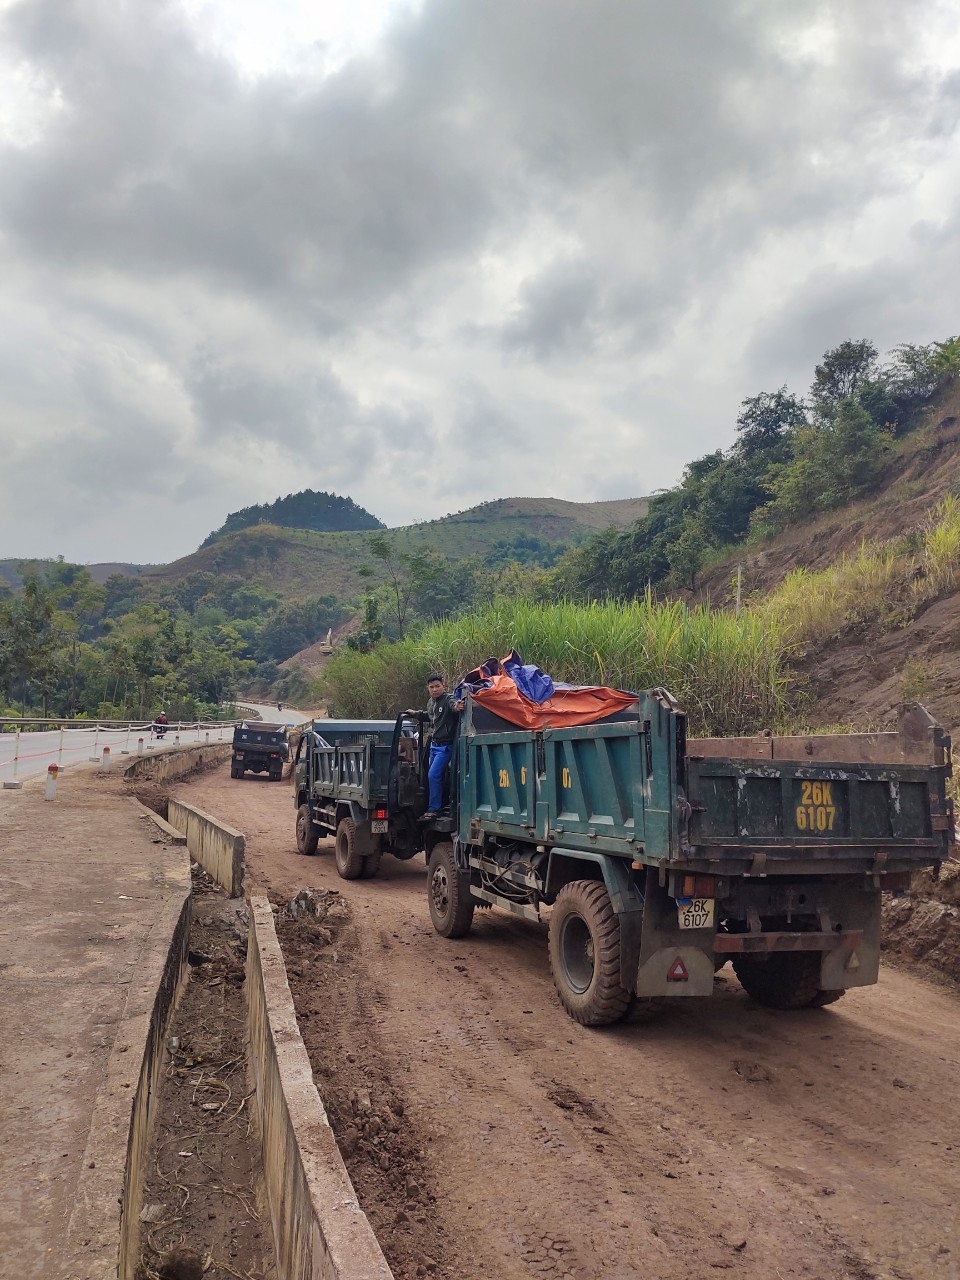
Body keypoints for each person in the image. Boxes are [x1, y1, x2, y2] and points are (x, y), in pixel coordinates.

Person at [421, 673, 463, 820]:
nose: (434, 689)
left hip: (446, 746)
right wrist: (417, 714)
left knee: (433, 775)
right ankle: (441, 803)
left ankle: (434, 808)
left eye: (437, 686)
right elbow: (431, 716)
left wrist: (458, 706)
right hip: (434, 745)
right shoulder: (431, 702)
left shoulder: (448, 699)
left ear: (443, 686)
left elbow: (454, 705)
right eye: (431, 687)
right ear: (428, 688)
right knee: (433, 777)